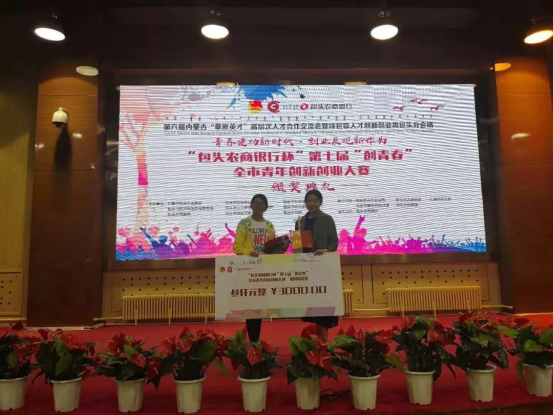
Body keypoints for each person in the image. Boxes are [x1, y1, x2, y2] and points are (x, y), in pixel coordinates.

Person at [295, 189, 339, 340]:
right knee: (313, 307)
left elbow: (334, 242)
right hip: (307, 268)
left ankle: (324, 342)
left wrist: (326, 250)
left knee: (323, 305)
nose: (311, 204)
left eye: (315, 200)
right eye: (308, 201)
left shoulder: (327, 219)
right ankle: (317, 342)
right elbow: (297, 244)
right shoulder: (300, 221)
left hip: (323, 267)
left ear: (320, 202)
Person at [233, 194, 276, 342]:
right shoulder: (244, 224)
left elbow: (272, 248)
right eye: (256, 203)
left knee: (262, 306)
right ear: (251, 205)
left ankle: (256, 341)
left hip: (265, 271)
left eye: (261, 203)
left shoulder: (269, 225)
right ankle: (253, 341)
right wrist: (248, 253)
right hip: (249, 272)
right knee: (251, 307)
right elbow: (237, 247)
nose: (258, 206)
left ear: (266, 207)